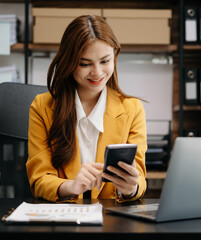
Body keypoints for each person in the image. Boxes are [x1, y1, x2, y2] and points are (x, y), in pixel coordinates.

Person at [26, 15, 147, 202]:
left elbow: (139, 175)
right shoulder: (42, 107)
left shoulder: (132, 109)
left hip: (112, 221)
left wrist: (130, 188)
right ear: (69, 62)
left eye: (105, 61)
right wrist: (71, 186)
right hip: (63, 220)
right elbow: (39, 180)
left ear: (115, 56)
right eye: (85, 64)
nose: (97, 72)